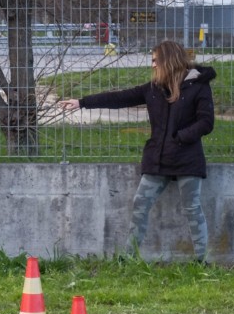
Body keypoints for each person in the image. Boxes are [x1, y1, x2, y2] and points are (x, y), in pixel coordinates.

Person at [59, 40, 216, 262]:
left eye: (155, 60)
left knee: (192, 208)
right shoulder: (153, 89)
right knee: (140, 205)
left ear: (169, 60)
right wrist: (82, 102)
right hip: (157, 160)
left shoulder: (198, 86)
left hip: (187, 159)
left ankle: (202, 261)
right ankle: (128, 258)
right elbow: (119, 98)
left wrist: (180, 138)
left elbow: (206, 122)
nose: (153, 65)